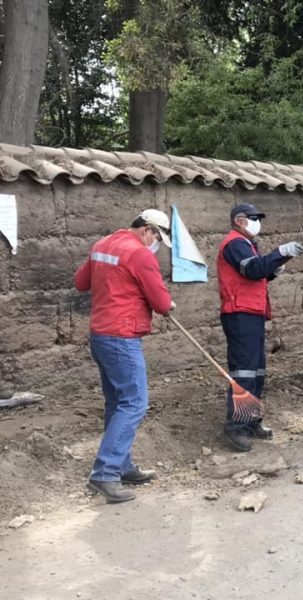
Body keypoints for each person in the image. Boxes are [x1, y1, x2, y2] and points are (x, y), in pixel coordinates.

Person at [74, 209, 174, 503]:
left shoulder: (102, 244)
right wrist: (168, 305)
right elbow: (161, 302)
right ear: (147, 230)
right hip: (122, 336)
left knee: (117, 403)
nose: (156, 244)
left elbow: (81, 282)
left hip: (100, 335)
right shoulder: (140, 254)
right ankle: (105, 474)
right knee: (134, 402)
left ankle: (122, 465)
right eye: (158, 238)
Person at [217, 203, 303, 452]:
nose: (258, 222)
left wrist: (273, 270)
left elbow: (257, 274)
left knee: (256, 371)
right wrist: (280, 252)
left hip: (251, 313)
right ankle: (236, 426)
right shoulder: (235, 243)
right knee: (244, 371)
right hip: (239, 314)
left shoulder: (246, 244)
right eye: (254, 218)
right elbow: (253, 270)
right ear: (239, 220)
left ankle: (251, 420)